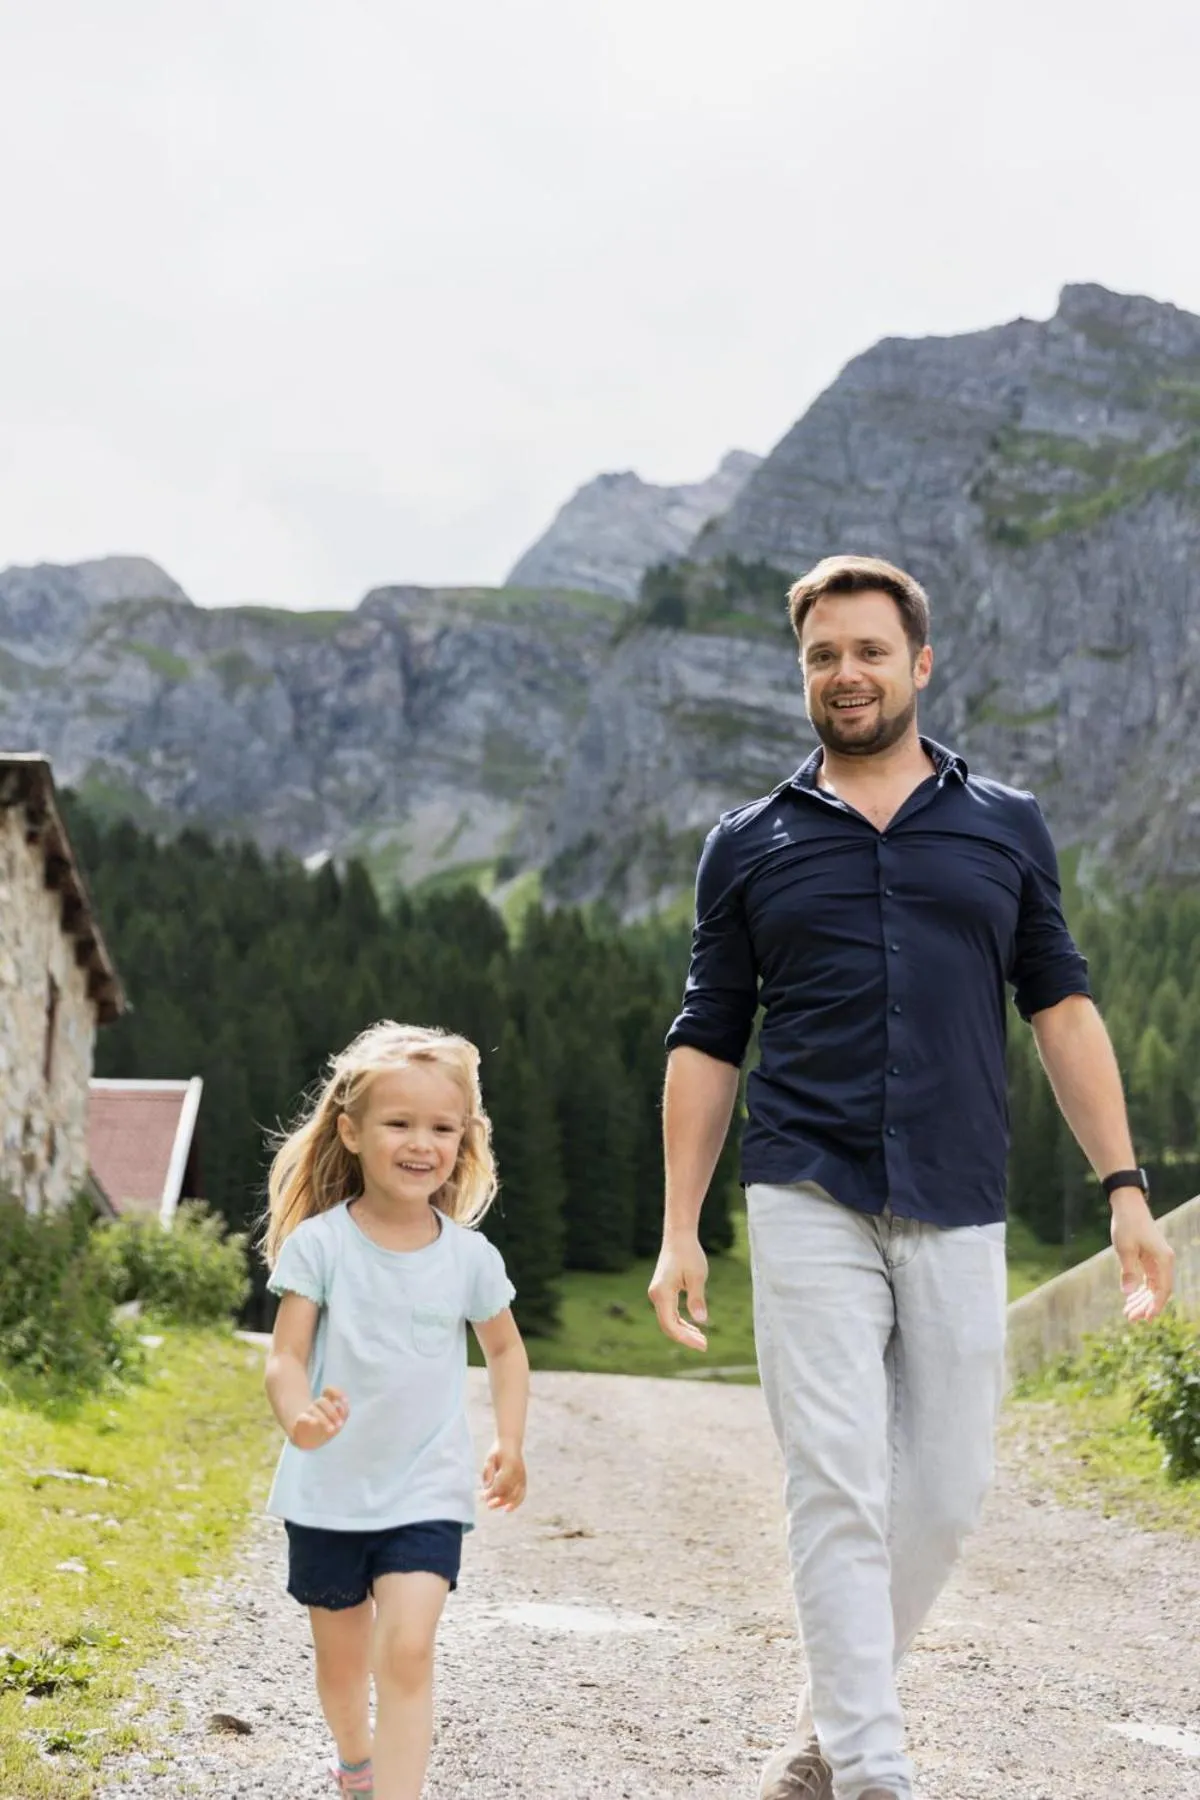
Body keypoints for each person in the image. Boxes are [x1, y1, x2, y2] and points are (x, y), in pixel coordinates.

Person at [648, 555, 1175, 1800]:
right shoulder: (747, 844)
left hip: (956, 1190)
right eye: (824, 654)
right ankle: (878, 1774)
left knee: (943, 1494)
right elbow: (706, 1041)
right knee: (832, 1477)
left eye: (869, 651)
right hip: (803, 1188)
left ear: (920, 664)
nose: (847, 674)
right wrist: (680, 1227)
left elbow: (1062, 1008)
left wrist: (1127, 1186)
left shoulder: (1006, 824)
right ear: (805, 671)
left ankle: (829, 1733)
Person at [262, 1021, 529, 1800]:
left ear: (465, 1140)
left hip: (427, 1487)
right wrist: (299, 1414)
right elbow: (283, 1354)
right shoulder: (320, 1246)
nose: (422, 1143)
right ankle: (355, 1759)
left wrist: (510, 1441)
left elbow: (506, 1352)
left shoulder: (470, 1257)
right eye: (399, 1123)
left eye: (443, 1128)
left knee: (408, 1651)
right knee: (342, 1671)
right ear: (351, 1132)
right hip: (329, 1492)